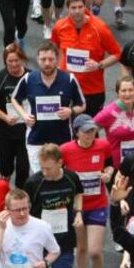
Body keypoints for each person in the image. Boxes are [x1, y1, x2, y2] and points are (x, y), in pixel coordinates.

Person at [58, 119, 111, 268]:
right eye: (86, 131)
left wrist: (108, 173)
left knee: (95, 251)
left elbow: (110, 164)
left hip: (98, 204)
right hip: (77, 207)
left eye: (92, 131)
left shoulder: (103, 145)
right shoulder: (65, 150)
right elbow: (59, 172)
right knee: (81, 249)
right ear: (76, 132)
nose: (90, 135)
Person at [11, 42, 86, 173]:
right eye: (43, 59)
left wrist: (71, 111)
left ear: (57, 59)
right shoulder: (28, 79)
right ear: (38, 59)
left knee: (60, 176)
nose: (47, 63)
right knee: (40, 177)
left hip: (62, 140)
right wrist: (24, 115)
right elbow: (14, 99)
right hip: (36, 139)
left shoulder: (69, 79)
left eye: (51, 59)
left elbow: (82, 104)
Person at [50, 0, 122, 116]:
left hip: (93, 90)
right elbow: (54, 48)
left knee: (90, 126)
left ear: (85, 7)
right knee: (66, 125)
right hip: (67, 87)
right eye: (73, 8)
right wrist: (59, 68)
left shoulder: (99, 27)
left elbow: (117, 53)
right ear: (67, 9)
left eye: (80, 7)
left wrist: (99, 65)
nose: (77, 11)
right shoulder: (59, 27)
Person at [0, 43, 31, 188]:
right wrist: (4, 117)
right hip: (4, 131)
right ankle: (3, 189)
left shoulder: (32, 77)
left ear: (22, 59)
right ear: (5, 61)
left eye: (16, 60)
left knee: (23, 168)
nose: (13, 64)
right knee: (5, 167)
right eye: (10, 61)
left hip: (26, 132)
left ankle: (20, 193)